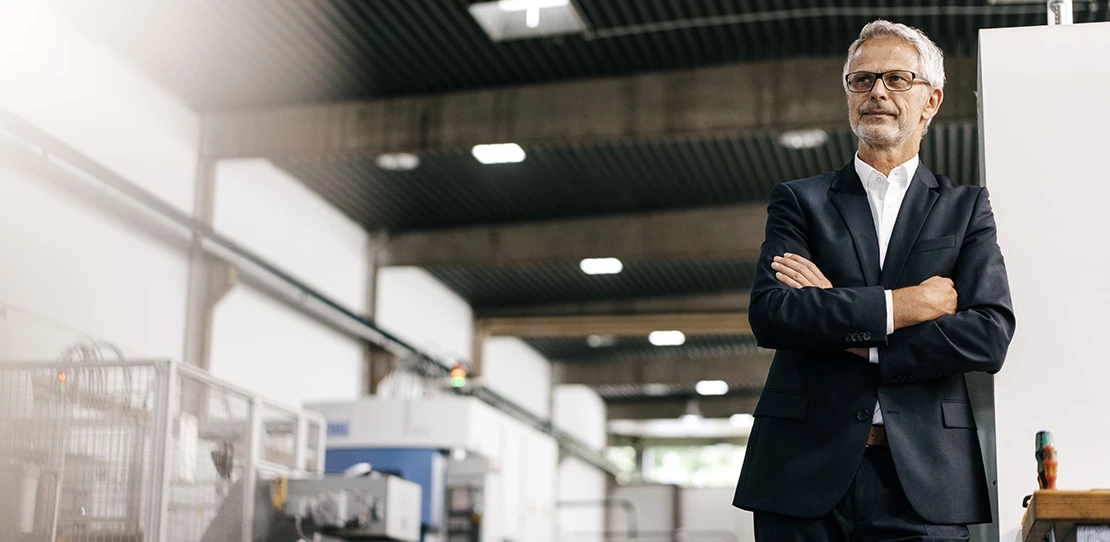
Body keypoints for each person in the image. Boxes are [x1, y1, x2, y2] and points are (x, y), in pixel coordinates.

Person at [731, 20, 1016, 541]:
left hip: (927, 480)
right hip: (801, 473)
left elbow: (989, 334)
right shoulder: (800, 201)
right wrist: (907, 304)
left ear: (930, 101)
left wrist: (848, 328)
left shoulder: (965, 208)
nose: (876, 91)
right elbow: (774, 314)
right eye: (860, 80)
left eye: (896, 79)